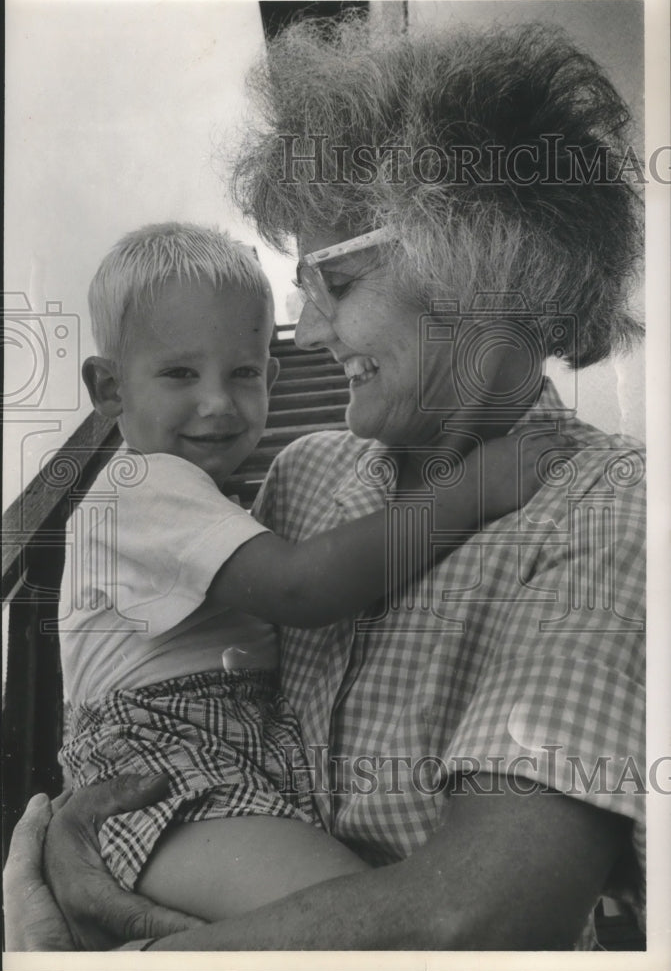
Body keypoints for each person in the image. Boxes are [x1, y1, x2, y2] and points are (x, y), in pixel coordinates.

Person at [6, 17, 645, 951]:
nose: (303, 338)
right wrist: (77, 832)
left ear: (480, 266)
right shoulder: (305, 476)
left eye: (335, 283)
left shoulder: (611, 504)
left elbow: (475, 920)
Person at [51, 221, 544, 931]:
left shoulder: (221, 498)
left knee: (343, 923)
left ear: (270, 377)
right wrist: (465, 495)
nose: (218, 402)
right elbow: (300, 589)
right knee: (366, 928)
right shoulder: (137, 485)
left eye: (243, 372)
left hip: (234, 755)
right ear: (109, 389)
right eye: (179, 374)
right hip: (166, 765)